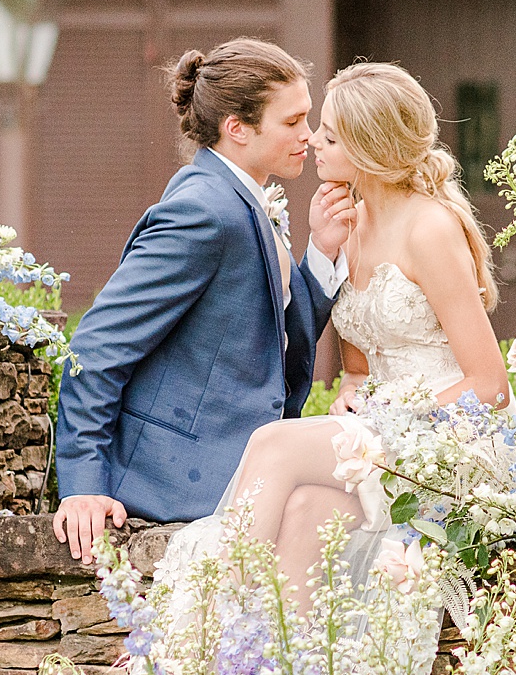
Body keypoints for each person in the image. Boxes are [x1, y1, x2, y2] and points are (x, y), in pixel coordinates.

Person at [158, 61, 511, 612]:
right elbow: (360, 369)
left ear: (369, 147)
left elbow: (490, 386)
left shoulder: (430, 228)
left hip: (448, 442)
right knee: (302, 512)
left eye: (328, 134)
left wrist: (387, 418)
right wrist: (352, 392)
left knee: (273, 442)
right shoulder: (352, 224)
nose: (312, 142)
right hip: (379, 441)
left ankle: (200, 620)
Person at [52, 38, 357, 561]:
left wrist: (322, 255)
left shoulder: (242, 197)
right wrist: (82, 483)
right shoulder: (202, 211)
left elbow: (273, 339)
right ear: (237, 129)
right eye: (292, 122)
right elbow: (97, 347)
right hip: (178, 476)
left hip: (247, 458)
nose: (308, 136)